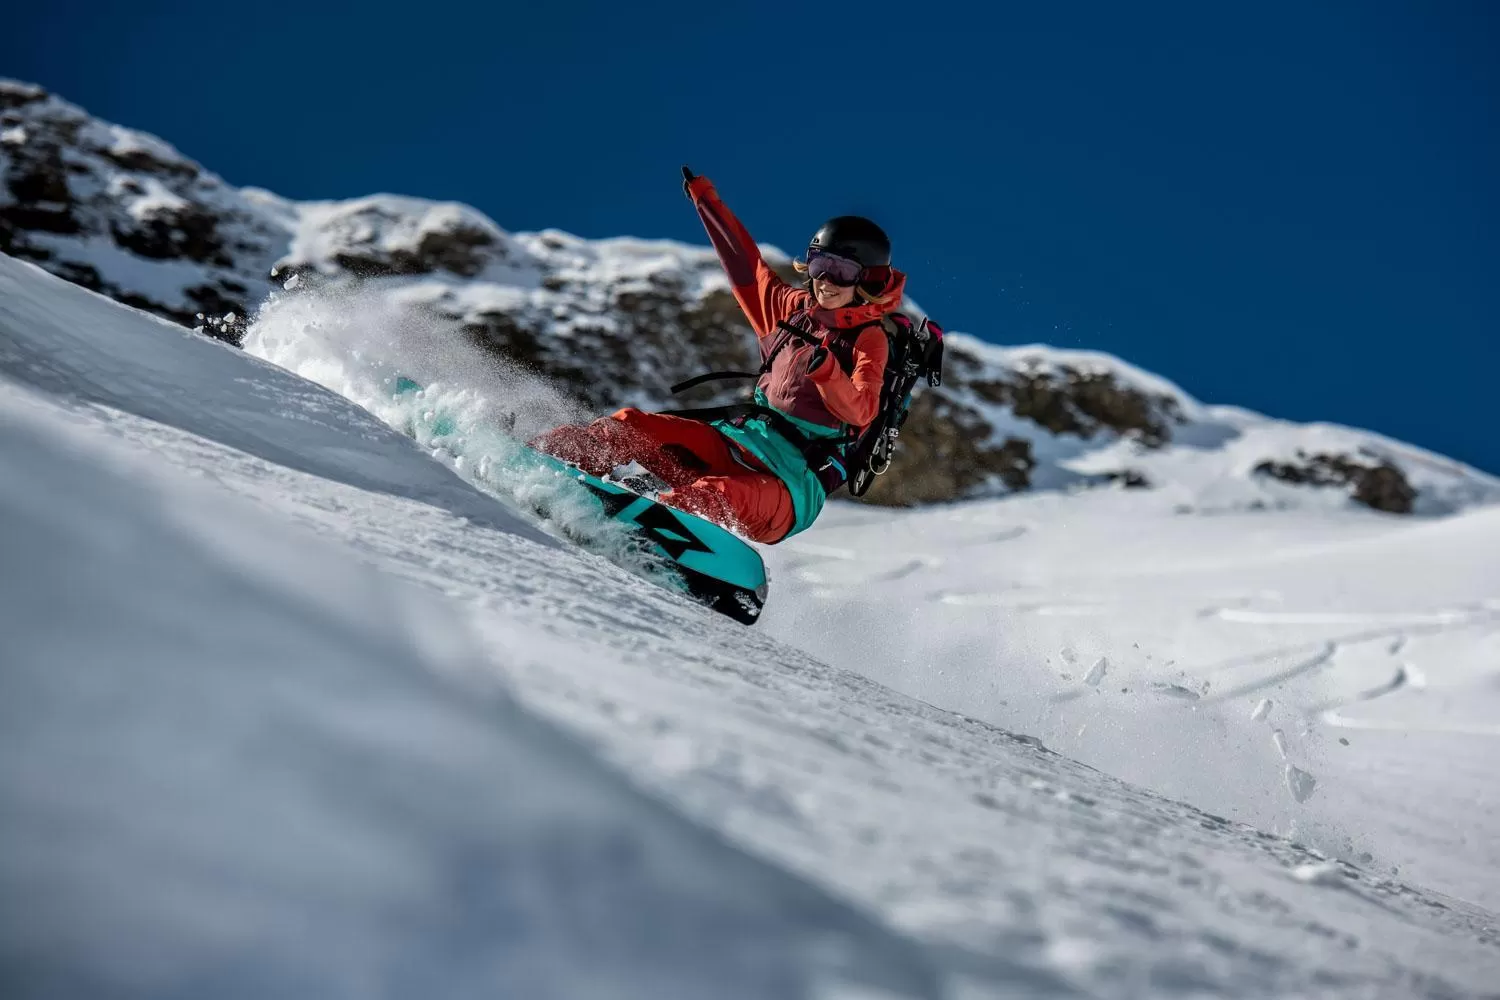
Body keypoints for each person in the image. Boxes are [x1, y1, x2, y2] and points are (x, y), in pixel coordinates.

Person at [529, 167, 908, 543]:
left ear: (868, 281)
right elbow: (744, 264)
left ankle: (638, 535)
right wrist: (706, 200)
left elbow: (861, 410)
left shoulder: (868, 339)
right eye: (819, 264)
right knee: (628, 426)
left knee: (714, 495)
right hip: (738, 443)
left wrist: (826, 372)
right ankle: (536, 459)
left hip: (789, 486)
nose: (825, 280)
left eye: (841, 271)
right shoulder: (791, 309)